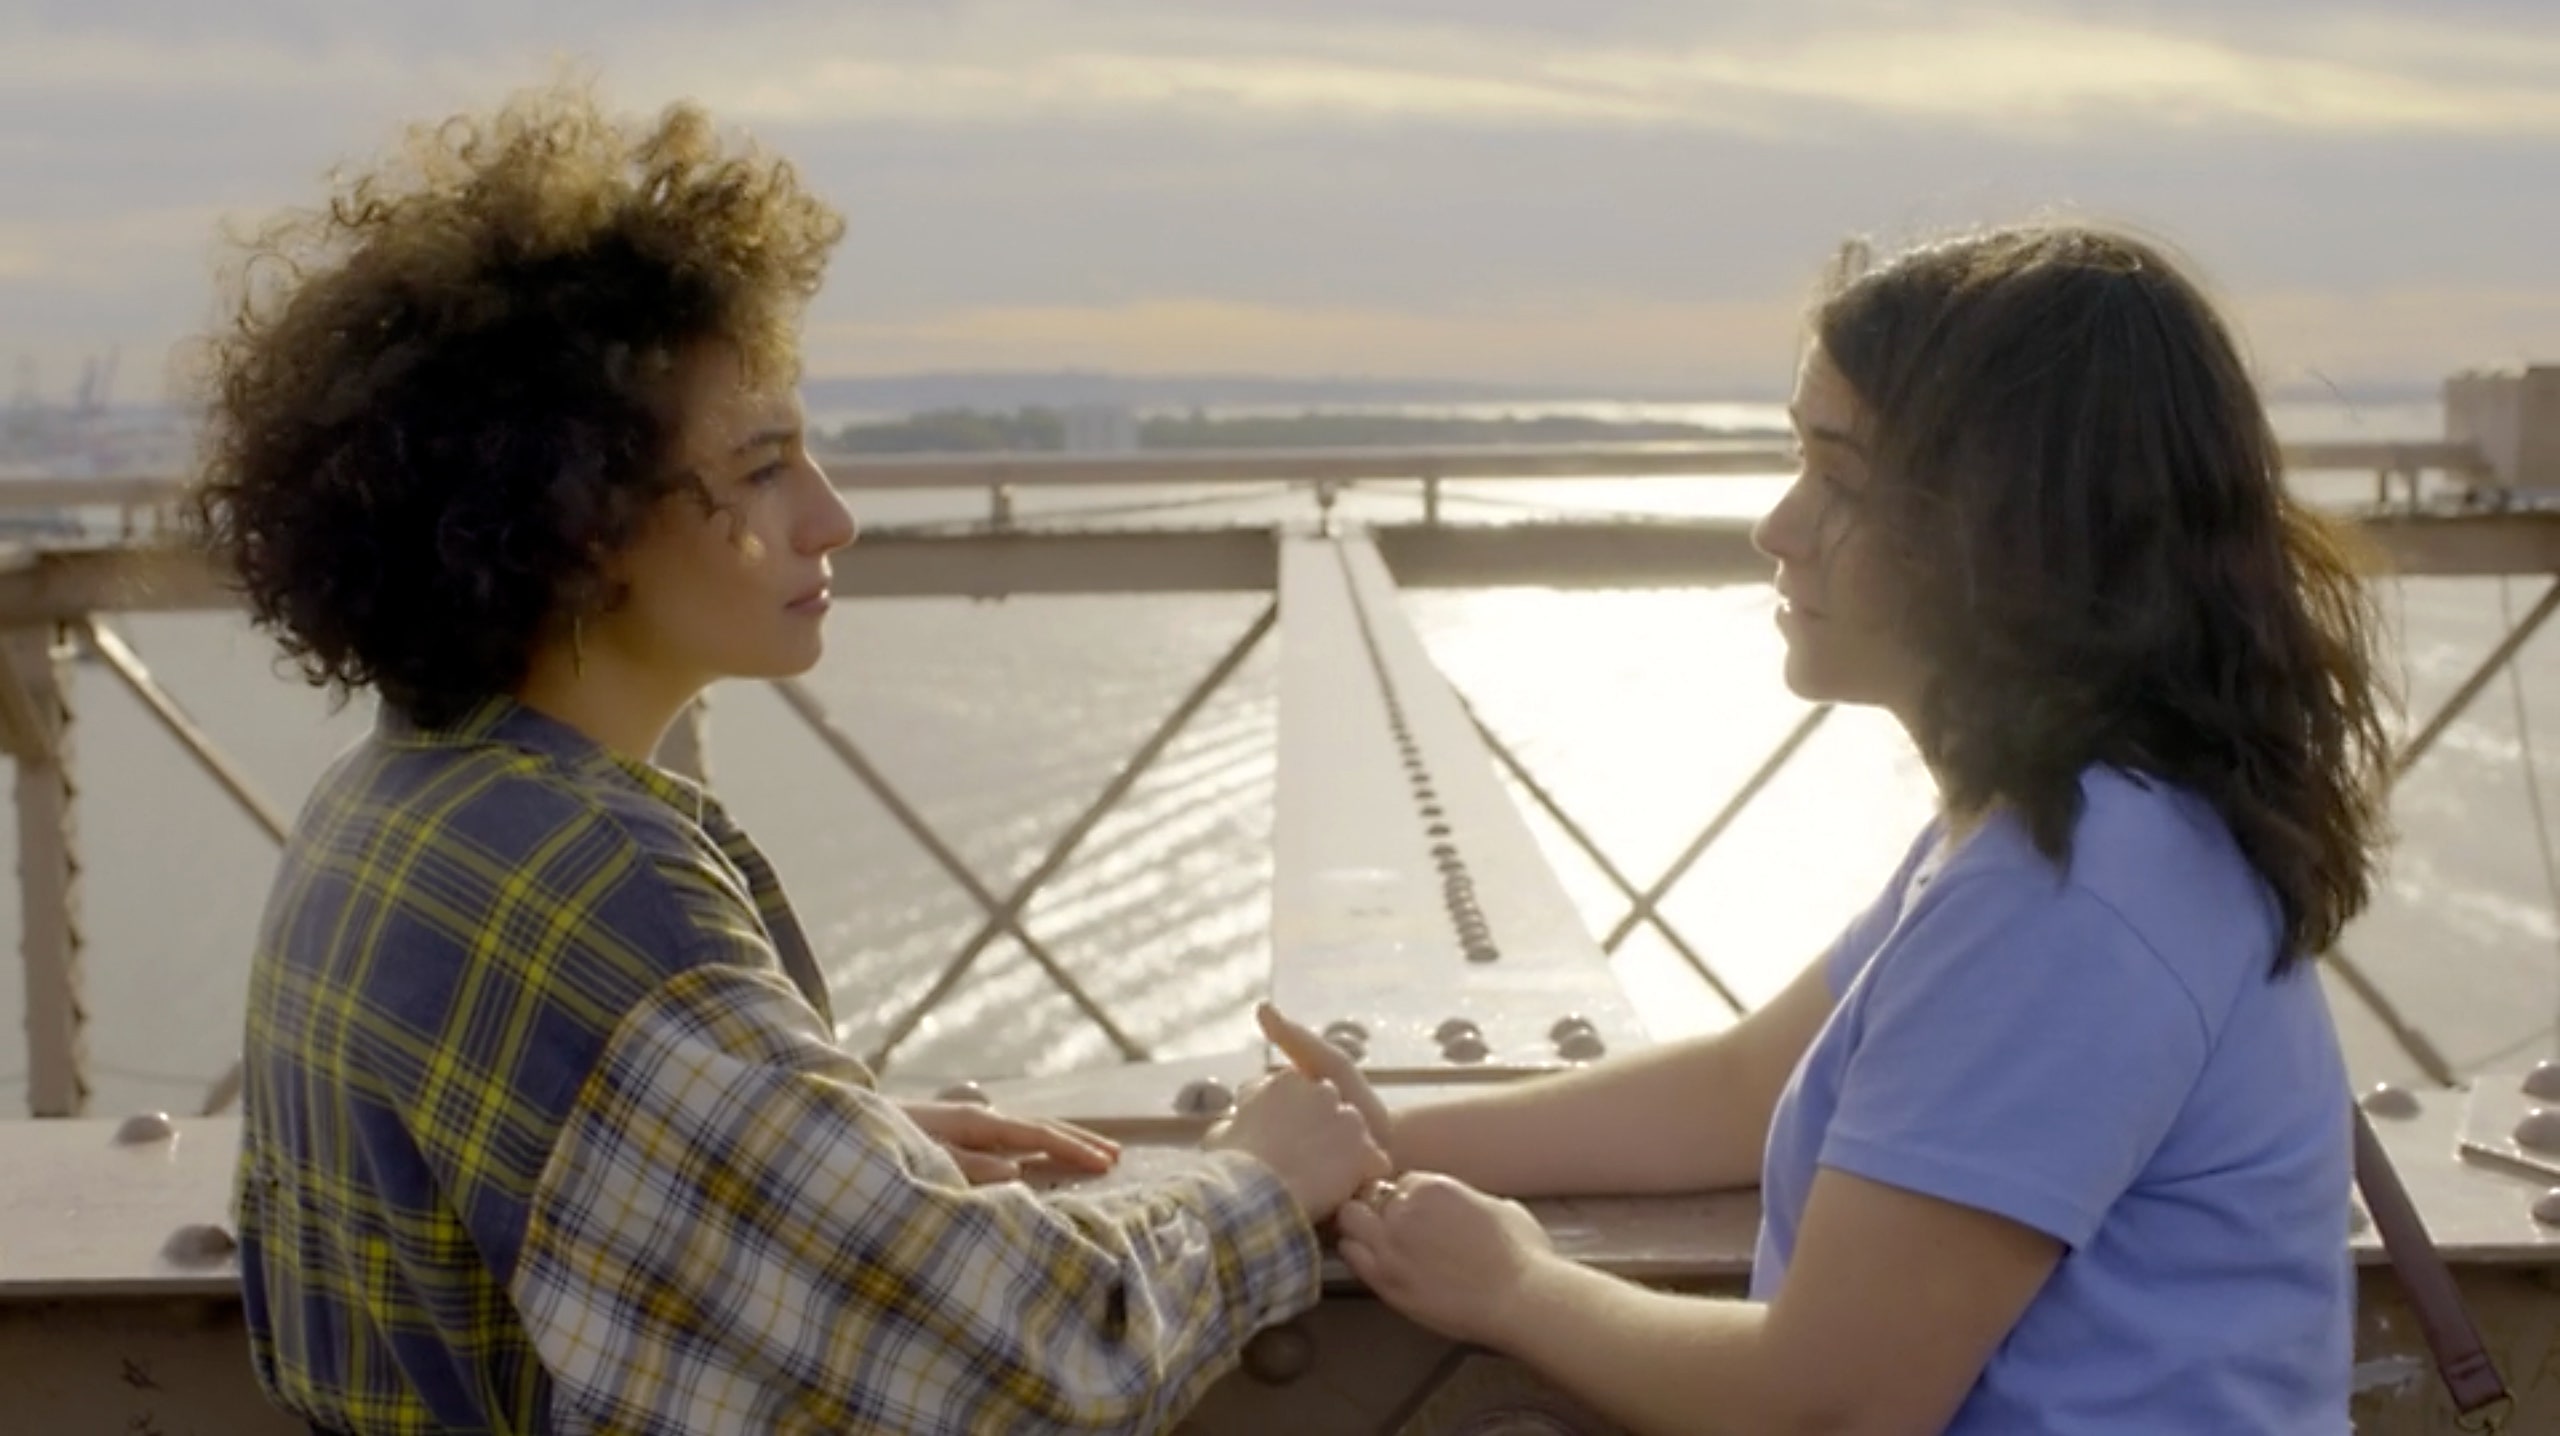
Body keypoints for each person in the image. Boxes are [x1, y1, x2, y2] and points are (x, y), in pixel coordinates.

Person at [193, 85, 1389, 1436]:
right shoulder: (593, 890)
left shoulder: (381, 808)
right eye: (763, 470)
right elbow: (1028, 1363)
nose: (833, 519)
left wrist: (808, 1161)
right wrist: (1258, 1182)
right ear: (582, 525)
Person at [1262, 221, 2392, 1434]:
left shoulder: (2072, 900)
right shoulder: (2068, 832)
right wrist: (1390, 1134)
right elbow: (1746, 1087)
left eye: (1841, 480)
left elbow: (1833, 1402)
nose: (1779, 525)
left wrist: (1516, 1284)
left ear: (2006, 529)